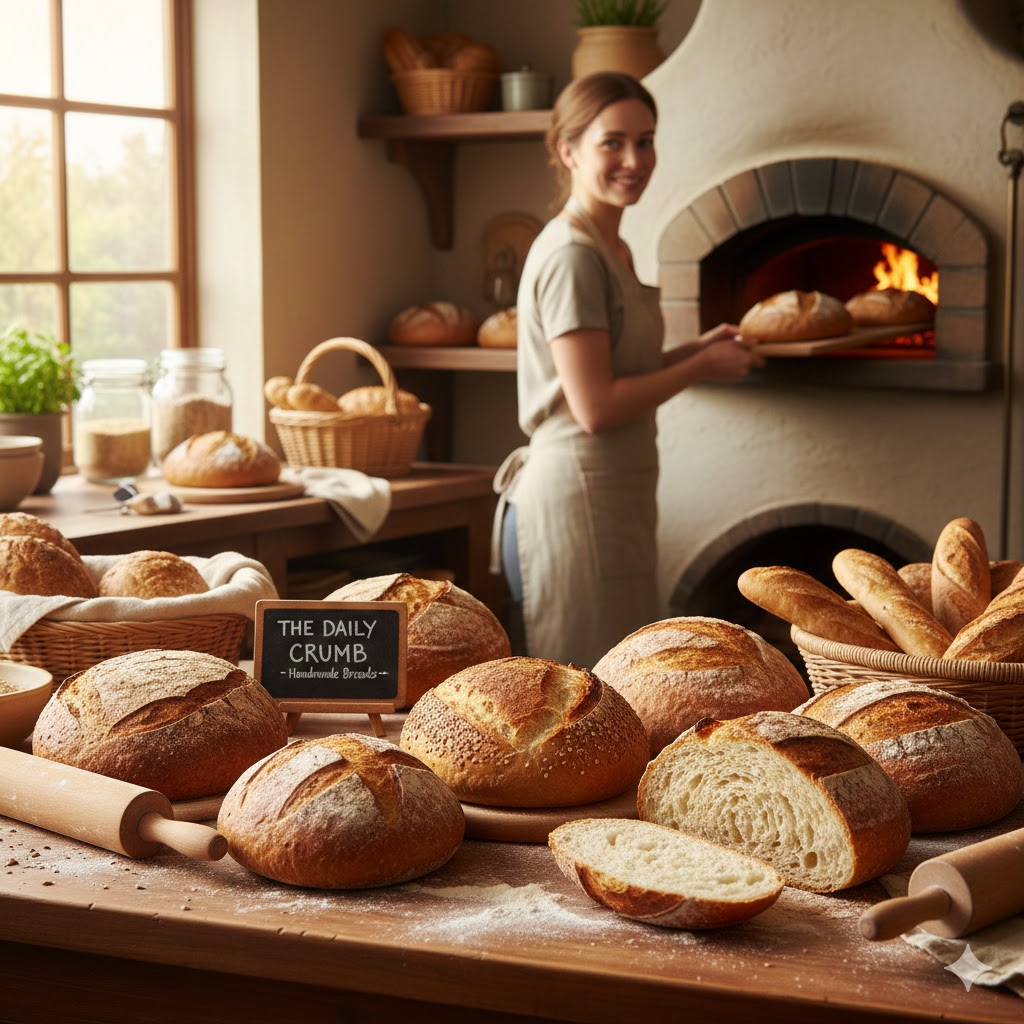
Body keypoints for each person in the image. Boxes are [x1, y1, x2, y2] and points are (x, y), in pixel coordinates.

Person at [491, 71, 763, 669]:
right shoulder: (571, 256)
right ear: (568, 150)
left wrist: (695, 351)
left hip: (612, 502)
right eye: (612, 142)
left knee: (621, 687)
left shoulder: (612, 247)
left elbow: (615, 373)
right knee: (585, 697)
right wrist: (699, 370)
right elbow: (594, 406)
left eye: (646, 140)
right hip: (574, 506)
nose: (633, 159)